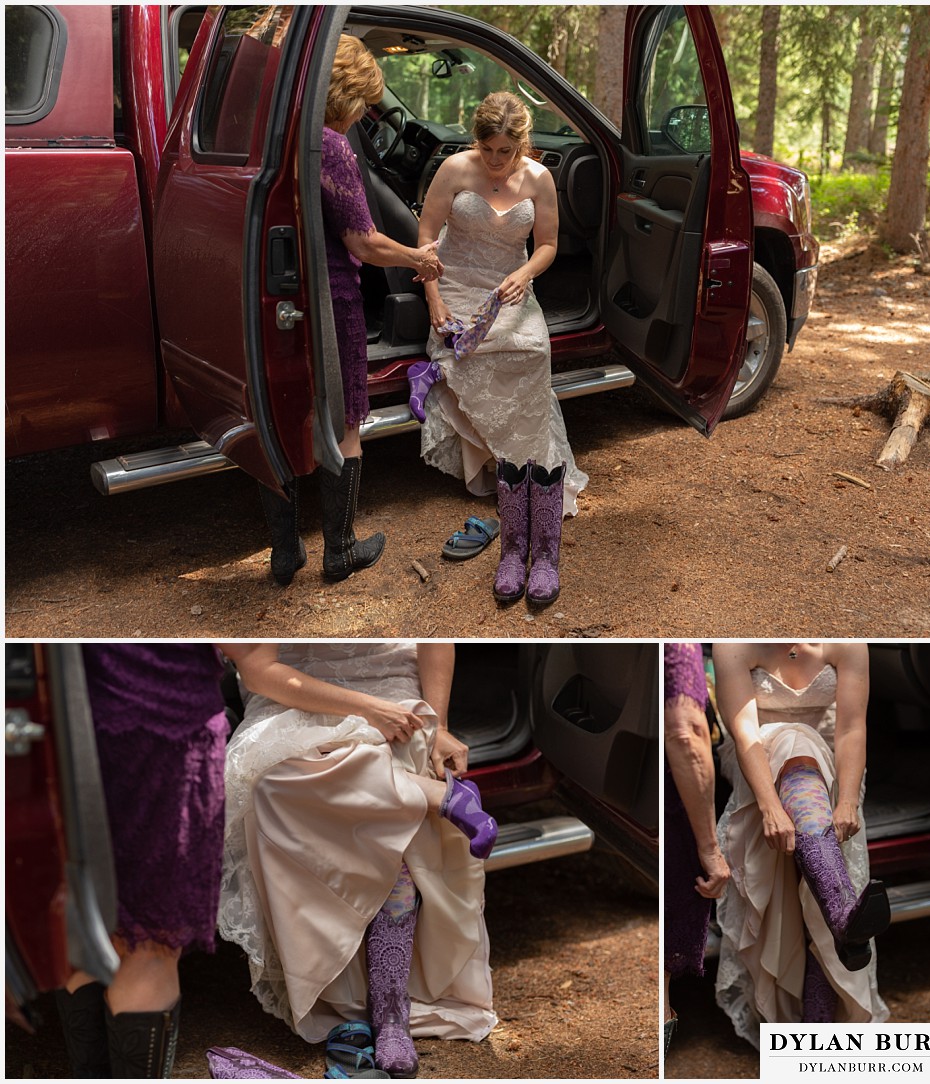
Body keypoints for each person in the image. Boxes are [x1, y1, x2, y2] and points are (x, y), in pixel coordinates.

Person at [218, 642, 498, 1077]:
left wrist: (439, 725)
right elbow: (258, 671)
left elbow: (434, 634)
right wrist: (367, 710)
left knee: (383, 800)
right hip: (289, 697)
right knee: (272, 786)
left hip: (389, 683)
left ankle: (390, 1014)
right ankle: (438, 796)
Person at [259, 35, 443, 587]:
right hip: (332, 300)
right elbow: (363, 243)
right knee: (346, 424)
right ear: (344, 95)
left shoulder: (274, 138)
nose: (367, 112)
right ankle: (339, 551)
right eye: (364, 100)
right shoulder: (331, 146)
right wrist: (419, 257)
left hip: (281, 299)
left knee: (284, 419)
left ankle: (284, 553)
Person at [410, 91, 588, 605]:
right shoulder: (454, 169)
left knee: (531, 350)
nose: (494, 161)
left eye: (505, 152)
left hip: (511, 287)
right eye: (487, 149)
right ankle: (511, 515)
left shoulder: (539, 178)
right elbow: (425, 237)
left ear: (521, 145)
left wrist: (523, 273)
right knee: (471, 349)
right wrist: (434, 300)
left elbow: (549, 244)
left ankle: (538, 529)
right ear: (477, 141)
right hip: (457, 285)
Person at [55, 644, 229, 1078]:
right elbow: (251, 655)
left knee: (80, 927)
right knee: (148, 946)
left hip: (54, 727)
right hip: (164, 730)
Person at [712, 642, 890, 1047]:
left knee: (807, 746)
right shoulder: (733, 643)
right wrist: (770, 805)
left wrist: (847, 799)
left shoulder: (847, 641)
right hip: (756, 764)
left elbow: (850, 729)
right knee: (795, 742)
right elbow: (745, 736)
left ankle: (816, 1025)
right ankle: (842, 914)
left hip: (833, 762)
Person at [662, 642, 730, 1056]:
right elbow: (686, 732)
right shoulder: (678, 646)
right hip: (674, 807)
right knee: (658, 987)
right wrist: (709, 847)